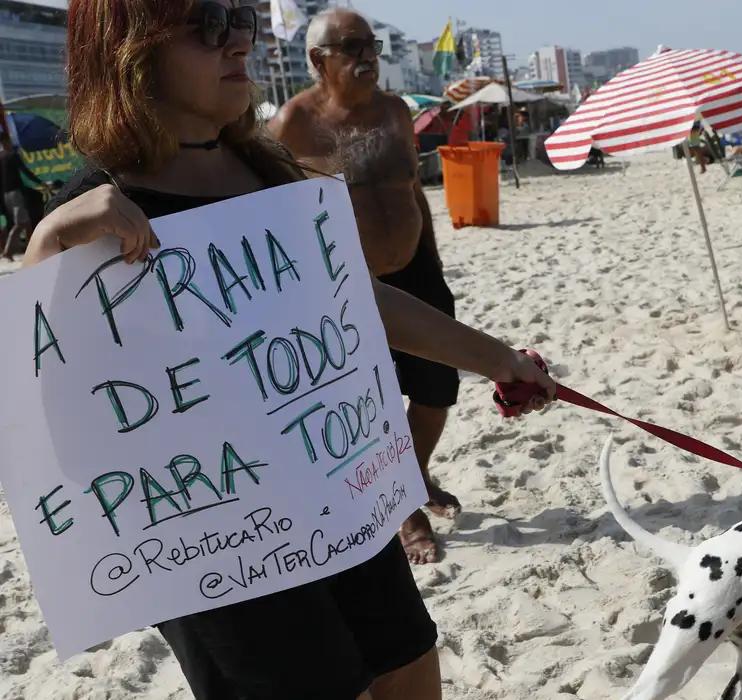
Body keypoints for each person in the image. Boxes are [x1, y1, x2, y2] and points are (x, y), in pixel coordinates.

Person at [24, 2, 554, 698]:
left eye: (240, 14)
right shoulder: (95, 207)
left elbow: (355, 298)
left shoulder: (268, 170)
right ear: (131, 49)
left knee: (409, 667)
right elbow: (34, 393)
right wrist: (46, 245)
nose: (240, 37)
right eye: (207, 22)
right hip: (211, 546)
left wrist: (495, 357)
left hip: (333, 497)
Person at [269, 8, 458, 566]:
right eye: (350, 46)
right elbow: (271, 217)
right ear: (317, 60)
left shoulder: (398, 111)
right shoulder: (293, 125)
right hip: (346, 289)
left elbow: (413, 192)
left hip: (417, 273)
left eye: (370, 44)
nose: (366, 56)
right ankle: (406, 512)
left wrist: (434, 262)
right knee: (372, 405)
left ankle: (413, 473)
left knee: (435, 392)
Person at [1, 131, 45, 260]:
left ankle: (32, 250)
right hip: (15, 194)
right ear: (6, 141)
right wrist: (40, 182)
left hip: (6, 195)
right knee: (21, 223)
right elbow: (25, 172)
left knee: (26, 224)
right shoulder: (11, 155)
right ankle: (8, 251)